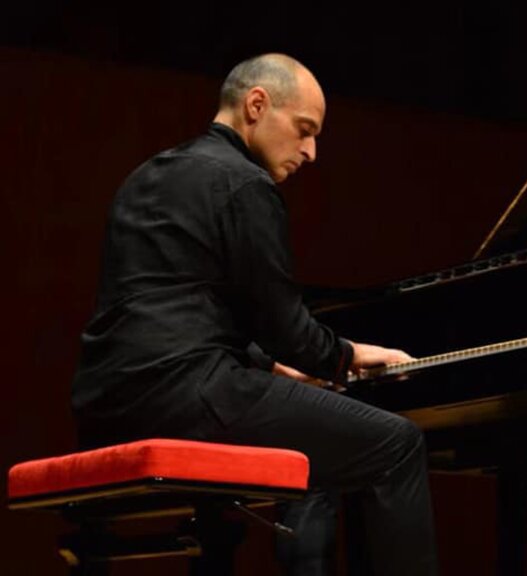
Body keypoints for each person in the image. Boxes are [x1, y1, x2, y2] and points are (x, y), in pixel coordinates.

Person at [71, 53, 438, 575]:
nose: (311, 152)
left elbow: (169, 309)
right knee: (395, 444)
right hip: (190, 400)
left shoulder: (143, 178)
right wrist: (348, 355)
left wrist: (270, 367)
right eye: (304, 130)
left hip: (104, 405)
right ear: (257, 105)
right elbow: (284, 327)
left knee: (318, 435)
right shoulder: (245, 183)